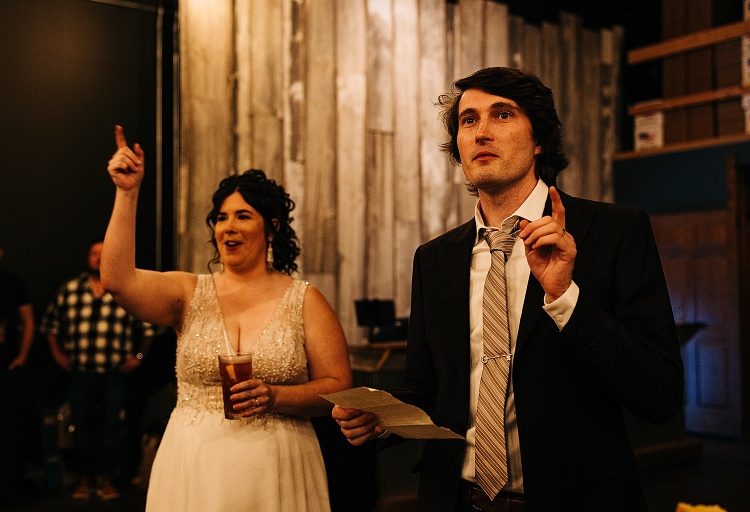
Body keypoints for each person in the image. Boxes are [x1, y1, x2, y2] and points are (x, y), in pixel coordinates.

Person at [332, 67, 683, 512]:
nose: (481, 132)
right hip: (456, 499)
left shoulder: (613, 232)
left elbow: (660, 393)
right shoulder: (435, 259)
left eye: (502, 115)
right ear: (458, 148)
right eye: (468, 120)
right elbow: (427, 389)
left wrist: (564, 299)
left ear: (538, 140)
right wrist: (382, 418)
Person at [101, 125, 352, 512]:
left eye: (243, 216)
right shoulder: (187, 292)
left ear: (273, 228)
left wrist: (276, 396)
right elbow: (117, 281)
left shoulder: (304, 299)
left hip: (278, 465)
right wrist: (127, 192)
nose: (228, 227)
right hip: (194, 462)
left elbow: (338, 387)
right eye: (220, 218)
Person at [40, 239, 154, 501]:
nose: (97, 258)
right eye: (93, 253)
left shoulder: (123, 291)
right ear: (87, 257)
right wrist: (58, 354)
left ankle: (106, 480)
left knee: (110, 428)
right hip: (80, 372)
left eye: (103, 254)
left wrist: (139, 356)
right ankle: (84, 479)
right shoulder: (70, 289)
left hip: (115, 374)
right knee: (81, 427)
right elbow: (49, 325)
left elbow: (149, 327)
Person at [0, 239, 35, 505]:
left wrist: (22, 357)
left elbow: (28, 320)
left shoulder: (13, 283)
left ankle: (8, 486)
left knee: (9, 429)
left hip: (7, 368)